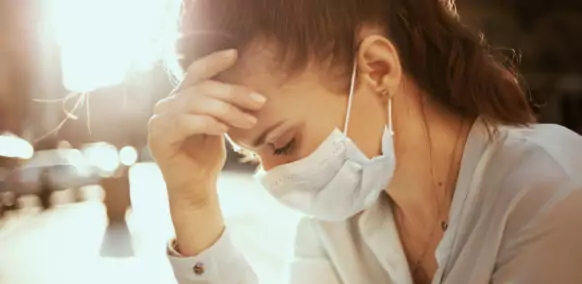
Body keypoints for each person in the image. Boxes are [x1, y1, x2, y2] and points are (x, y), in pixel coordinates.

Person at [148, 0, 582, 283]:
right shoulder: (337, 224)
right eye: (252, 156)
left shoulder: (550, 197)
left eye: (282, 144)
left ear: (377, 69)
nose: (278, 180)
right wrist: (194, 205)